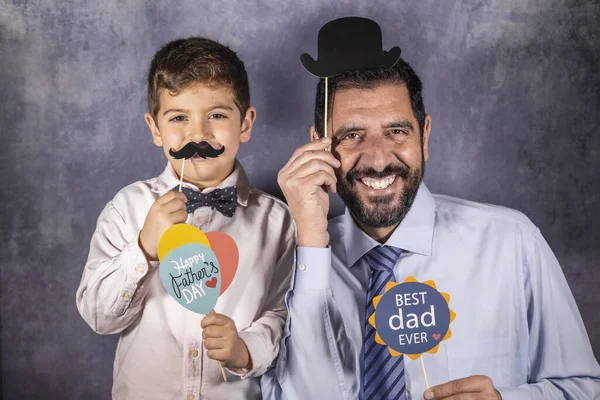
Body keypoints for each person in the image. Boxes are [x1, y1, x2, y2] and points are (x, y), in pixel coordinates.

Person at [262, 17, 600, 400]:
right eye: (352, 135)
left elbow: (587, 388)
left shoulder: (512, 242)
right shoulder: (289, 261)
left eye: (396, 132)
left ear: (424, 137)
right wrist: (310, 241)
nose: (376, 160)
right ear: (319, 145)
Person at [76, 37, 295, 400]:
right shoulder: (127, 208)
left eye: (218, 116)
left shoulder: (276, 222)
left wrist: (246, 348)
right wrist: (144, 249)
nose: (198, 135)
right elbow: (99, 317)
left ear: (245, 123)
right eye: (179, 118)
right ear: (155, 129)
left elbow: (281, 315)